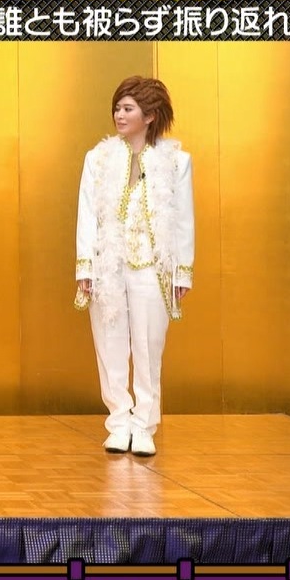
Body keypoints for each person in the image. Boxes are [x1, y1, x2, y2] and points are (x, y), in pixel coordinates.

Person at [74, 75, 194, 457]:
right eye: (117, 108)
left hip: (151, 267)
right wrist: (85, 269)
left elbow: (183, 219)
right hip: (108, 266)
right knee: (109, 344)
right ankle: (118, 422)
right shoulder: (97, 159)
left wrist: (182, 271)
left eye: (128, 108)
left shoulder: (176, 161)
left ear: (150, 115)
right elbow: (86, 214)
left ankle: (144, 425)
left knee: (148, 346)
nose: (119, 115)